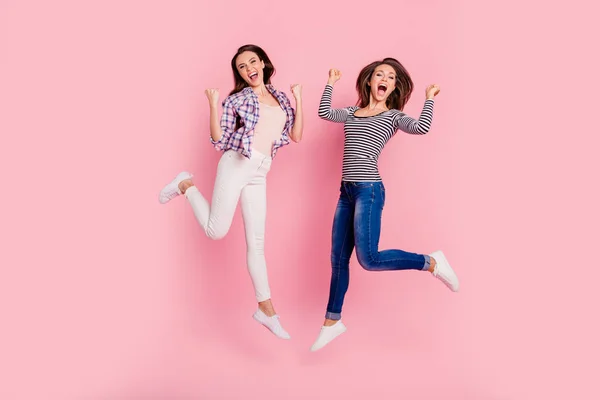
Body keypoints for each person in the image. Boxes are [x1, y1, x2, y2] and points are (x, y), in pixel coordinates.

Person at [310, 58, 458, 351]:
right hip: (346, 192)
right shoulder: (352, 112)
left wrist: (429, 99)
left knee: (369, 259)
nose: (384, 79)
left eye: (390, 77)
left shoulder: (393, 116)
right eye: (379, 74)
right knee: (338, 260)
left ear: (393, 87)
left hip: (370, 191)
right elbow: (324, 111)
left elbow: (422, 127)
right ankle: (332, 321)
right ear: (369, 81)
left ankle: (430, 262)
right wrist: (330, 83)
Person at [159, 44, 303, 340]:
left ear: (263, 63)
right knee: (216, 231)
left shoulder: (281, 99)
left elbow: (296, 135)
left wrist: (300, 99)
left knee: (257, 244)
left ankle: (267, 310)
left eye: (252, 61)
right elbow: (218, 138)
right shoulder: (239, 99)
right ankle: (185, 185)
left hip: (260, 172)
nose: (248, 68)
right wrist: (213, 104)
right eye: (241, 66)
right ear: (239, 73)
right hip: (237, 164)